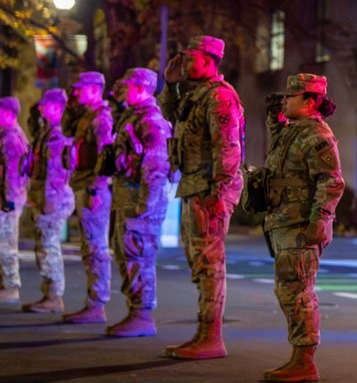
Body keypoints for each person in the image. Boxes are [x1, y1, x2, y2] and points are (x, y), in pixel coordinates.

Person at [249, 73, 344, 383]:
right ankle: (300, 356)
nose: (286, 100)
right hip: (283, 221)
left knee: (298, 292)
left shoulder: (317, 136)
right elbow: (275, 134)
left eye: (293, 96)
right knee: (288, 289)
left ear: (311, 101)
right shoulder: (292, 132)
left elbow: (331, 182)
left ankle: (304, 360)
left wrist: (321, 219)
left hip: (300, 224)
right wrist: (273, 113)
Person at [160, 35, 245, 359]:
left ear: (209, 59)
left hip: (209, 188)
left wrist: (218, 192)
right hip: (195, 185)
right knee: (199, 260)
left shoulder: (220, 97)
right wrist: (169, 84)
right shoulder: (196, 95)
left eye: (189, 55)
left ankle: (211, 336)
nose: (183, 60)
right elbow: (169, 114)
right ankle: (203, 332)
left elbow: (228, 148)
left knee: (209, 262)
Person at [105, 68, 172, 337]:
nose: (123, 89)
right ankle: (135, 311)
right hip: (127, 198)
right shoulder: (132, 117)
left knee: (139, 256)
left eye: (128, 85)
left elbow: (156, 167)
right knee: (126, 255)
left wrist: (145, 205)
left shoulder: (151, 121)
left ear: (142, 88)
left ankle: (142, 315)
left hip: (142, 201)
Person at [62, 71, 115, 324]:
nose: (76, 93)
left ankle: (97, 304)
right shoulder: (86, 117)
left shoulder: (101, 119)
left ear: (95, 89)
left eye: (80, 89)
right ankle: (93, 302)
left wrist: (95, 188)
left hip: (93, 188)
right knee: (88, 247)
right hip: (83, 184)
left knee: (96, 248)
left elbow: (105, 158)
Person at [24, 88, 76, 313]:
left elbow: (55, 173)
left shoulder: (56, 135)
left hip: (53, 198)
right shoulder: (47, 132)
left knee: (49, 246)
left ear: (57, 107)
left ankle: (54, 296)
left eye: (46, 105)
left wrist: (49, 201)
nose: (42, 109)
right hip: (45, 197)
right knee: (44, 246)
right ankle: (49, 294)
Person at [0, 96, 30, 307]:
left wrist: (8, 200)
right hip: (8, 197)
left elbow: (13, 174)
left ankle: (10, 287)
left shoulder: (11, 138)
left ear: (9, 113)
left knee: (7, 242)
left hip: (9, 198)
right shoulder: (7, 136)